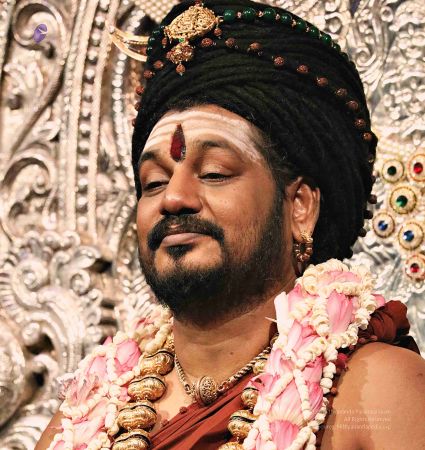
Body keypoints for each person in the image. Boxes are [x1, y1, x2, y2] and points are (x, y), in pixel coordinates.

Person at [36, 1, 425, 449]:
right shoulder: (82, 418)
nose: (173, 198)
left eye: (214, 173)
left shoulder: (378, 394)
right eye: (154, 182)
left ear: (300, 206)